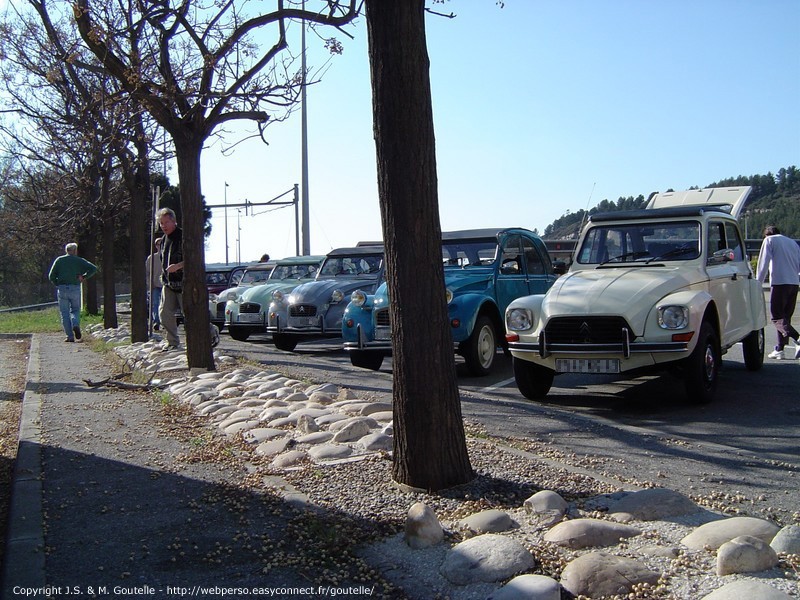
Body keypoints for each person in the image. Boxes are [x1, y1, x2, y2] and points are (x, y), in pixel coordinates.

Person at [755, 225, 800, 360]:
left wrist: (758, 282)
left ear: (766, 234)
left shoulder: (769, 240)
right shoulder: (792, 243)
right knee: (785, 318)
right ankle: (780, 349)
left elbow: (763, 262)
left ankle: (797, 338)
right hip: (794, 283)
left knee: (776, 317)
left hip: (779, 283)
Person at [47, 242, 98, 342]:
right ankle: (75, 324)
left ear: (66, 250)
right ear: (75, 250)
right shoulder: (79, 261)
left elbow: (51, 276)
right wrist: (83, 276)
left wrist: (57, 283)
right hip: (74, 287)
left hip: (62, 288)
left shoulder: (59, 260)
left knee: (64, 313)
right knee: (75, 310)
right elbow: (93, 268)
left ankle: (69, 336)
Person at [158, 208, 184, 350]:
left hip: (185, 284)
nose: (164, 226)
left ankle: (210, 332)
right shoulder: (163, 240)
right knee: (164, 313)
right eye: (161, 223)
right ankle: (172, 342)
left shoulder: (183, 237)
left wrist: (178, 266)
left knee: (191, 315)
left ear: (174, 221)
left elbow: (194, 259)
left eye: (166, 222)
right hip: (168, 284)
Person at [145, 237, 163, 331]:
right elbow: (147, 272)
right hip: (155, 285)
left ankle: (164, 321)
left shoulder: (168, 256)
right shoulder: (151, 258)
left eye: (161, 243)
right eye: (158, 244)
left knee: (164, 305)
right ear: (155, 246)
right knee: (155, 304)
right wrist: (150, 283)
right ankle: (156, 322)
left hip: (166, 285)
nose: (159, 246)